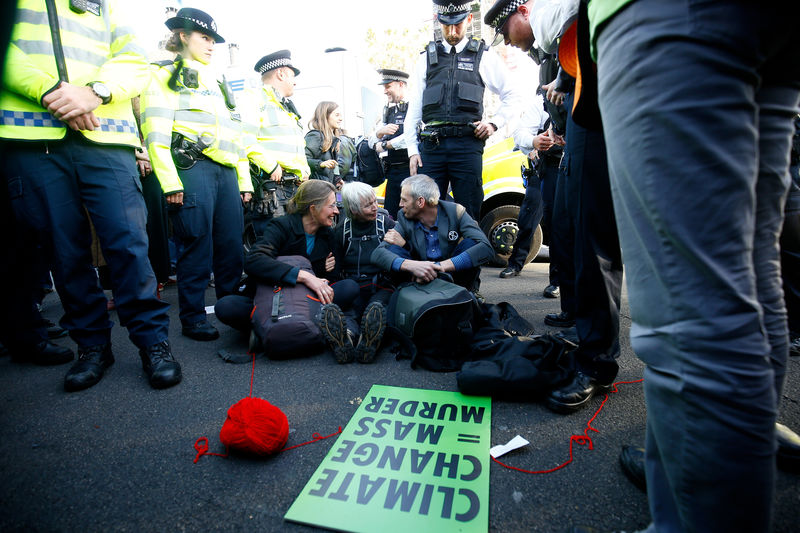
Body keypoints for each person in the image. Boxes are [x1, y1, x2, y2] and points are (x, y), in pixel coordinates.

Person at [591, 0, 799, 531]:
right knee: (752, 277)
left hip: (665, 16)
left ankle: (694, 506)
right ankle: (695, 481)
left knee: (691, 321)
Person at [0, 0, 180, 390]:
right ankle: (92, 345)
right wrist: (52, 93)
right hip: (33, 139)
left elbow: (134, 61)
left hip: (107, 136)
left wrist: (95, 92)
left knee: (129, 243)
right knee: (63, 251)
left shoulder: (107, 4)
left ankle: (154, 342)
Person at [487, 0, 624, 414]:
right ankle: (597, 349)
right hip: (603, 87)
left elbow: (567, 23)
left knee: (594, 236)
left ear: (522, 11)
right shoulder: (555, 56)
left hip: (612, 86)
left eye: (506, 31)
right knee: (586, 235)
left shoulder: (553, 21)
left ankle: (598, 358)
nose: (512, 46)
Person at [141, 7, 253, 342]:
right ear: (182, 36)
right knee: (196, 246)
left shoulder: (216, 81)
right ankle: (192, 318)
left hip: (226, 173)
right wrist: (170, 182)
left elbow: (235, 136)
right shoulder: (163, 74)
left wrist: (244, 180)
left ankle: (232, 311)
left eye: (213, 39)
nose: (210, 45)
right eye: (204, 37)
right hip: (191, 170)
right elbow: (156, 133)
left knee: (232, 247)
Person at [215, 180, 366, 363]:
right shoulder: (281, 226)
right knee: (226, 306)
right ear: (313, 208)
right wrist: (304, 276)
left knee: (350, 287)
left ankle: (333, 332)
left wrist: (321, 273)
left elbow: (329, 280)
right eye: (332, 205)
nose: (336, 211)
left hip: (308, 301)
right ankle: (284, 329)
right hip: (275, 298)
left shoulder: (329, 235)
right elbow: (254, 260)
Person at [403, 0, 523, 220]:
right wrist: (412, 149)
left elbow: (514, 95)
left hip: (467, 146)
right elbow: (414, 109)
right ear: (438, 21)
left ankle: (467, 254)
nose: (451, 31)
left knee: (469, 212)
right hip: (432, 148)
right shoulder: (425, 59)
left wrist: (494, 123)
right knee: (424, 213)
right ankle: (430, 256)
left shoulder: (484, 56)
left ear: (468, 19)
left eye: (457, 24)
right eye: (446, 24)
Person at [372, 174, 494, 293]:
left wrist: (441, 266)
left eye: (404, 200)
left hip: (453, 280)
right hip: (418, 278)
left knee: (471, 244)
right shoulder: (404, 217)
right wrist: (412, 266)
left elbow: (486, 248)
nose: (400, 204)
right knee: (393, 248)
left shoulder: (455, 212)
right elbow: (378, 254)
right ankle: (407, 293)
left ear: (420, 202)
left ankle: (465, 294)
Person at [243, 49, 308, 237]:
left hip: (294, 188)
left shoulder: (285, 106)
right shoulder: (253, 98)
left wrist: (304, 173)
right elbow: (245, 138)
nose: (295, 81)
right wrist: (270, 166)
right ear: (281, 73)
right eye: (292, 76)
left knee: (294, 248)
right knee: (274, 252)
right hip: (272, 189)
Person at [331, 182, 395, 362]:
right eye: (368, 205)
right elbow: (336, 268)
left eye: (375, 202)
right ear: (353, 209)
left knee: (376, 309)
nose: (375, 207)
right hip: (355, 286)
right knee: (351, 311)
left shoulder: (386, 224)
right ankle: (348, 338)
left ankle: (370, 339)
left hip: (382, 286)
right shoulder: (342, 230)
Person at [368, 69, 411, 219]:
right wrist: (380, 133)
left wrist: (386, 145)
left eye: (388, 86)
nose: (385, 91)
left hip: (410, 170)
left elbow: (411, 136)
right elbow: (372, 139)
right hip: (392, 172)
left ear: (400, 84)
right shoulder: (387, 109)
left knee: (411, 215)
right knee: (390, 215)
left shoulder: (414, 106)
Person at [305, 102, 346, 187]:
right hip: (316, 190)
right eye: (337, 115)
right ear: (325, 116)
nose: (341, 119)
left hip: (328, 189)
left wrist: (337, 179)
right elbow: (303, 160)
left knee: (340, 198)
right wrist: (320, 164)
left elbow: (334, 165)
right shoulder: (315, 136)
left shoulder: (334, 139)